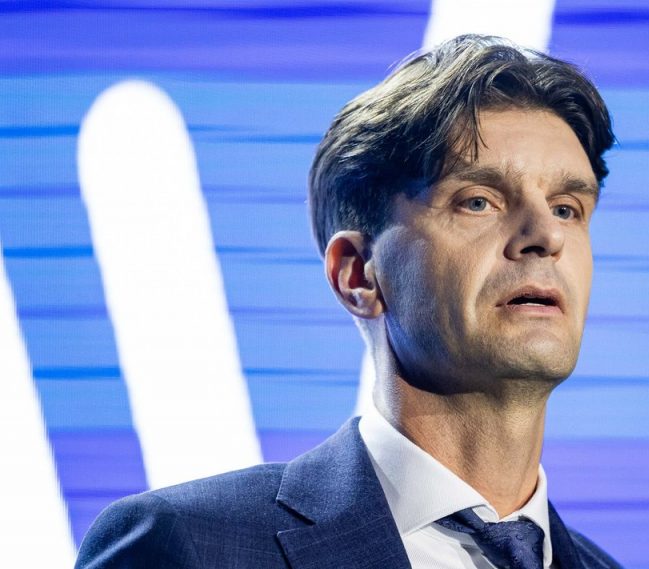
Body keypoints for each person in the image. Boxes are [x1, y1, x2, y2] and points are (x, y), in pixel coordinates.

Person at [75, 34, 619, 569]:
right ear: (359, 274)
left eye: (566, 208)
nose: (546, 236)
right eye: (478, 201)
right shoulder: (190, 546)